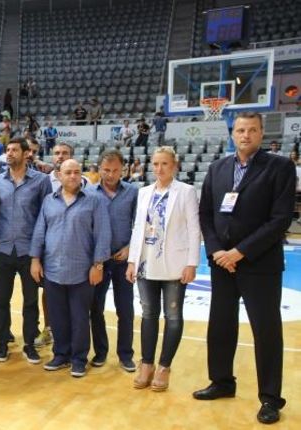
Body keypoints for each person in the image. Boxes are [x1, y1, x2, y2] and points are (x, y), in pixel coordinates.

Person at [193, 112, 296, 424]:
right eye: (240, 130)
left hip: (259, 263)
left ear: (262, 133)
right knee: (220, 326)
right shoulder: (218, 167)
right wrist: (216, 251)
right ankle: (222, 381)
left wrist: (240, 252)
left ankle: (270, 399)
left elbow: (280, 219)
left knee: (266, 332)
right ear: (232, 133)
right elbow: (206, 213)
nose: (245, 135)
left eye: (252, 130)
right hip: (222, 263)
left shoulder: (279, 167)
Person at [124, 146, 200, 392]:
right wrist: (132, 260)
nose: (159, 169)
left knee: (173, 316)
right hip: (147, 263)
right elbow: (137, 228)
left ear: (174, 165)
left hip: (175, 265)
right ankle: (146, 364)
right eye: (156, 164)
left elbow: (193, 229)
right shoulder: (144, 192)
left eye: (165, 164)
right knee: (148, 315)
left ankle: (164, 366)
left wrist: (192, 262)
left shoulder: (186, 192)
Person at [30, 159, 110, 378]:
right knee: (58, 317)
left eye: (77, 172)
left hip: (82, 272)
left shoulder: (94, 201)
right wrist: (35, 260)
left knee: (80, 318)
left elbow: (102, 235)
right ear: (59, 175)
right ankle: (61, 355)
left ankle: (78, 359)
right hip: (53, 269)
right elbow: (39, 232)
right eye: (68, 172)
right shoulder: (49, 201)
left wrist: (98, 264)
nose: (73, 176)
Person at [0, 138, 53, 363]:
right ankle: (1, 344)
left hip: (29, 251)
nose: (9, 153)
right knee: (1, 301)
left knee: (30, 301)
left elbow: (46, 217)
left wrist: (40, 253)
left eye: (14, 150)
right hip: (3, 250)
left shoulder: (41, 181)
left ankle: (29, 344)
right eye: (7, 150)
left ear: (26, 154)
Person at [88, 150, 138, 373]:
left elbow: (139, 226)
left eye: (115, 170)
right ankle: (100, 352)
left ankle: (126, 355)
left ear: (123, 170)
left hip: (123, 261)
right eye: (106, 170)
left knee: (125, 309)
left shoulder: (133, 193)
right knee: (95, 308)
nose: (110, 174)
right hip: (99, 261)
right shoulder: (88, 193)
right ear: (98, 169)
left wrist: (130, 248)